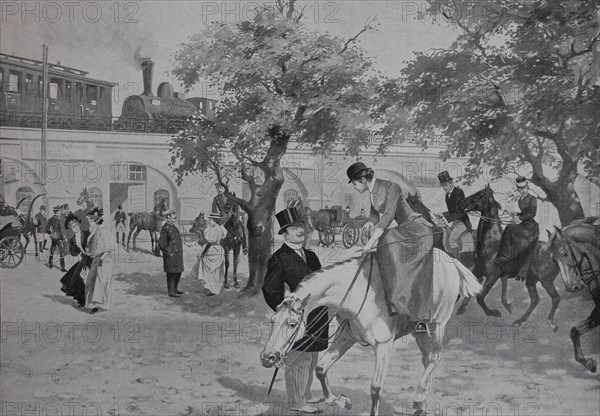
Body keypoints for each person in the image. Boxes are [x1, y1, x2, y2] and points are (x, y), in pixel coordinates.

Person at [347, 162, 433, 333]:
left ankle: (419, 315)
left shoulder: (391, 187)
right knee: (386, 241)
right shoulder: (372, 192)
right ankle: (393, 303)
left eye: (355, 183)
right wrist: (368, 224)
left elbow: (387, 216)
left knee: (387, 238)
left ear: (363, 179)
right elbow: (374, 214)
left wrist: (370, 242)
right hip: (403, 230)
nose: (355, 187)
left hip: (416, 230)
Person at [262, 207, 328, 414]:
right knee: (298, 358)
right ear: (284, 234)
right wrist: (286, 310)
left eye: (301, 226)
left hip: (316, 315)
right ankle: (297, 402)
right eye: (294, 228)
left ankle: (306, 395)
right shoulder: (279, 258)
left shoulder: (311, 255)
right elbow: (270, 289)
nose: (300, 230)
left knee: (312, 356)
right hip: (295, 319)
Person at [495, 176, 540, 280]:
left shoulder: (532, 199)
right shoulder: (520, 199)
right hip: (524, 224)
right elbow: (523, 212)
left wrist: (519, 218)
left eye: (524, 187)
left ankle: (505, 255)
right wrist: (514, 213)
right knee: (509, 228)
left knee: (510, 228)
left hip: (531, 227)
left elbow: (532, 213)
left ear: (527, 187)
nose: (522, 190)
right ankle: (505, 255)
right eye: (520, 188)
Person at [84, 208, 115, 314]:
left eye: (91, 221)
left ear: (96, 221)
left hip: (103, 260)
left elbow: (110, 247)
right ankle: (92, 303)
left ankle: (100, 304)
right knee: (91, 281)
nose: (89, 223)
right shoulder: (94, 232)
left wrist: (101, 259)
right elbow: (91, 246)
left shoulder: (104, 232)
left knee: (101, 282)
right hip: (95, 259)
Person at [436, 171, 472, 260]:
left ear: (451, 183)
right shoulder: (447, 196)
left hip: (462, 222)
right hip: (455, 222)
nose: (444, 188)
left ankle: (457, 260)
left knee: (452, 240)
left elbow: (460, 211)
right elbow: (452, 211)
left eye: (445, 185)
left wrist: (445, 218)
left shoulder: (459, 193)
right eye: (443, 186)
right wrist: (442, 214)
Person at [192, 213, 227, 296]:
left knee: (210, 271)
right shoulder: (221, 229)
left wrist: (203, 253)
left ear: (214, 220)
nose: (209, 221)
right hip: (218, 249)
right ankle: (215, 289)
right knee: (216, 271)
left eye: (210, 219)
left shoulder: (214, 230)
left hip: (212, 250)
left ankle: (212, 289)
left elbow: (210, 242)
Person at [60, 213, 91, 308]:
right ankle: (82, 300)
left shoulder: (87, 234)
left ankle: (93, 300)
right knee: (76, 278)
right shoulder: (73, 239)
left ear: (79, 225)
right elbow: (74, 253)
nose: (75, 227)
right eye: (73, 227)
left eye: (76, 225)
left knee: (90, 278)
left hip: (91, 258)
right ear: (71, 229)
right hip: (83, 258)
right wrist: (72, 246)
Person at [158, 209, 184, 298]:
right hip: (171, 255)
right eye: (173, 214)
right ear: (168, 217)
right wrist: (169, 253)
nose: (175, 216)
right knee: (171, 273)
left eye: (175, 214)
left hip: (177, 255)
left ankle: (175, 289)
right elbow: (162, 244)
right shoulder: (166, 228)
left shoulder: (173, 227)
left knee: (178, 272)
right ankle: (171, 291)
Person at [46, 205, 67, 271]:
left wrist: (51, 233)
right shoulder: (59, 219)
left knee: (52, 249)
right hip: (59, 238)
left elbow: (47, 229)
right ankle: (62, 267)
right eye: (59, 211)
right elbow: (61, 229)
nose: (60, 212)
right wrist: (64, 237)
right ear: (57, 212)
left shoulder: (50, 219)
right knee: (61, 252)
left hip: (53, 237)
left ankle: (50, 263)